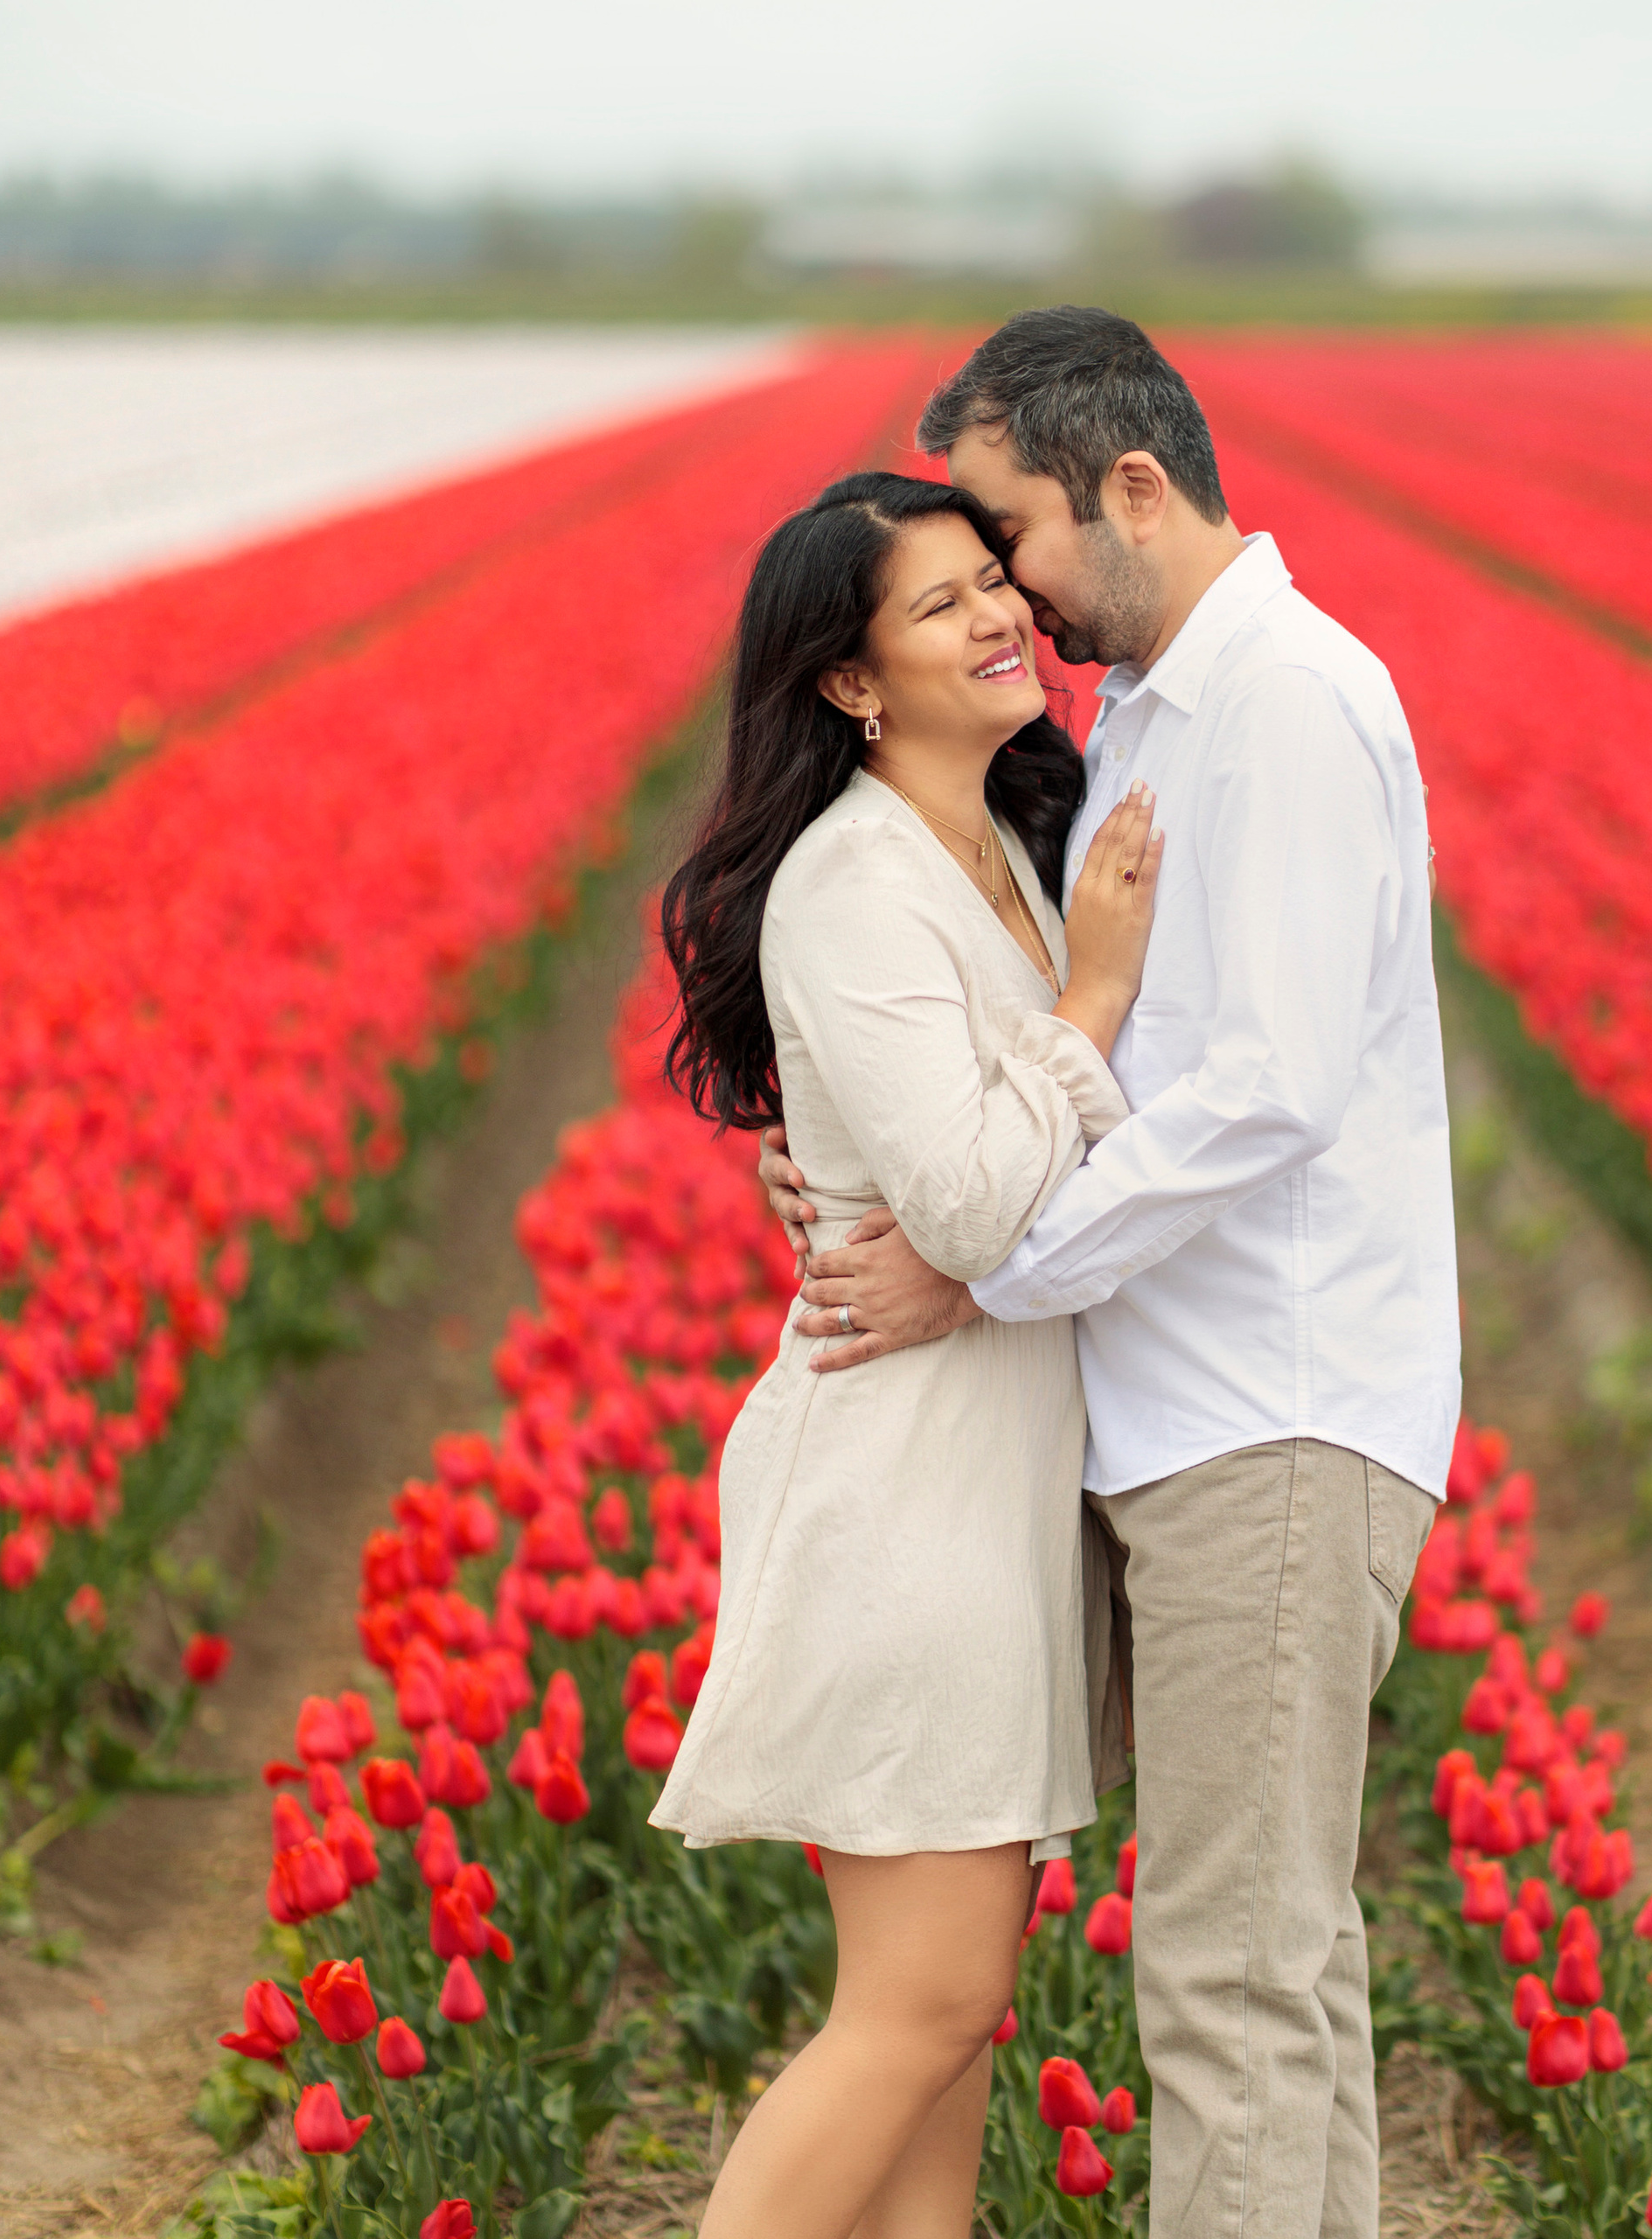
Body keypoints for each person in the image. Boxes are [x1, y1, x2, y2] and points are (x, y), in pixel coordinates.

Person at [764, 307, 1460, 2239]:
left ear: (1130, 487)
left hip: (1271, 1405)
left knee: (1231, 1982)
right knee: (1277, 1966)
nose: (1013, 594)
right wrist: (844, 1159)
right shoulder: (1149, 711)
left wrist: (985, 1270)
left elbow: (1267, 1087)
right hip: (1167, 1405)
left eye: (1012, 539)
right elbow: (1041, 1035)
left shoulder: (1286, 701)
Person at [652, 467, 1163, 2239]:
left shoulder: (1007, 844)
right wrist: (1089, 1001)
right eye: (940, 603)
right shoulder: (853, 885)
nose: (999, 613)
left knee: (948, 2036)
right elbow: (966, 1202)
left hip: (990, 1486)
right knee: (923, 2005)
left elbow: (1004, 1183)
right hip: (903, 1494)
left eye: (989, 579)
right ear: (851, 680)